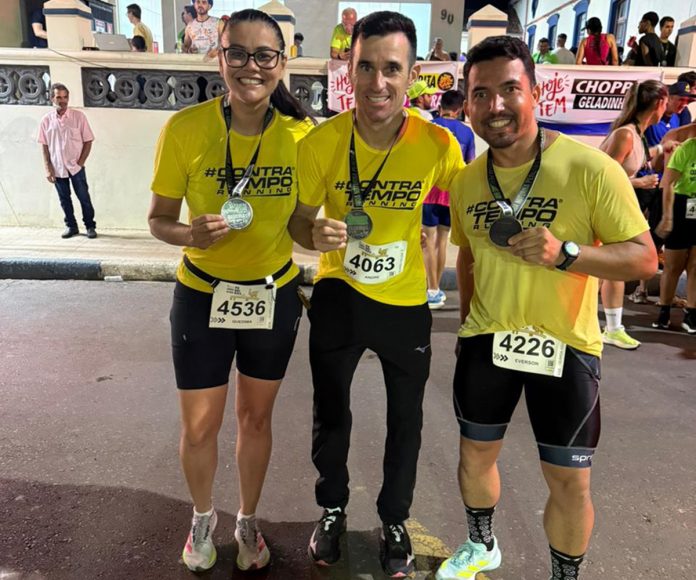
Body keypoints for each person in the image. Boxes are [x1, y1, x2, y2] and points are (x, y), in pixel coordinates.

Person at [437, 36, 656, 580]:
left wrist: (568, 254)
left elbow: (644, 259)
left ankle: (565, 575)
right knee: (474, 457)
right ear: (468, 103)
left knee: (568, 480)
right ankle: (482, 544)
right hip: (488, 341)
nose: (495, 105)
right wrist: (467, 328)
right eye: (480, 93)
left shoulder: (589, 168)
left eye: (509, 89)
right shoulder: (466, 181)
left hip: (566, 347)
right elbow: (467, 257)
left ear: (536, 92)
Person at [288, 11, 463, 578]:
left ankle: (395, 519)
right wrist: (312, 234)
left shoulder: (436, 144)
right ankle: (332, 508)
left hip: (404, 302)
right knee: (331, 411)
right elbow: (298, 221)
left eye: (392, 68)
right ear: (350, 69)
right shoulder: (323, 142)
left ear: (411, 75)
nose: (378, 82)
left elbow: (474, 204)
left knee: (405, 419)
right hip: (340, 293)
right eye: (366, 66)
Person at [148, 9, 313, 574]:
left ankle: (247, 520)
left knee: (256, 420)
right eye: (236, 53)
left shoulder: (301, 137)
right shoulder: (186, 129)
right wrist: (187, 235)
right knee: (199, 426)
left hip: (272, 295)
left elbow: (301, 226)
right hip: (201, 293)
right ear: (219, 58)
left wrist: (321, 235)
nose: (250, 66)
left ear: (282, 63)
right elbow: (158, 219)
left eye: (264, 55)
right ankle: (202, 518)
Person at [598, 81, 672, 344]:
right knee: (610, 269)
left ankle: (611, 328)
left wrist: (661, 150)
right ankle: (609, 328)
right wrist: (640, 182)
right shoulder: (626, 134)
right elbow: (604, 177)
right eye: (667, 103)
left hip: (614, 209)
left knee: (609, 271)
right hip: (604, 209)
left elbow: (627, 165)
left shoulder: (635, 134)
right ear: (659, 103)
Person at [423, 90, 475, 309]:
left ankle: (432, 289)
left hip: (428, 193)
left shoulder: (428, 128)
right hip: (451, 195)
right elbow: (469, 166)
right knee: (442, 241)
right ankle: (436, 290)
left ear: (440, 105)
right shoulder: (466, 132)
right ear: (459, 109)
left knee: (428, 242)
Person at [37, 83, 97, 239]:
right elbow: (44, 145)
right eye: (59, 97)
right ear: (52, 98)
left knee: (84, 197)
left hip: (76, 167)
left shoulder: (78, 117)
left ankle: (90, 226)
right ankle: (71, 226)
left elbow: (88, 140)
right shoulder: (46, 121)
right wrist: (48, 168)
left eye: (65, 97)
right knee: (64, 199)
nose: (63, 101)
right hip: (57, 168)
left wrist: (80, 163)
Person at [653, 140, 696, 333]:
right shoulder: (687, 148)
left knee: (695, 266)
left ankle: (691, 315)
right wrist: (668, 217)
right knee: (673, 265)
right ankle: (664, 311)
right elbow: (668, 183)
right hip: (681, 205)